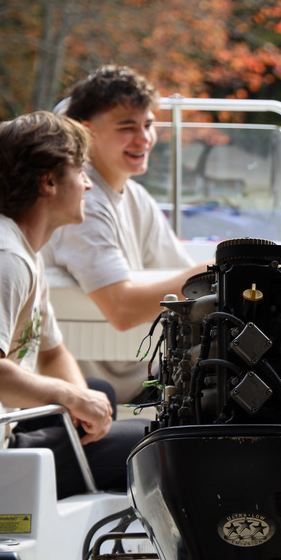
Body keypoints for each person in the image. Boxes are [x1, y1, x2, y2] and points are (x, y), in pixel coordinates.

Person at [0, 112, 147, 499]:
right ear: (49, 182)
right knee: (156, 447)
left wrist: (82, 405)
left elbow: (52, 352)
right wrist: (72, 399)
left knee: (99, 392)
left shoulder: (22, 247)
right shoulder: (0, 256)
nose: (88, 184)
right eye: (80, 171)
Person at [43, 65, 209, 403]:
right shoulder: (82, 202)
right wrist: (211, 272)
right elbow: (121, 310)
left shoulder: (135, 197)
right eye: (127, 127)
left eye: (148, 125)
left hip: (142, 370)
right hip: (103, 390)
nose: (144, 138)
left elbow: (179, 277)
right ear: (86, 132)